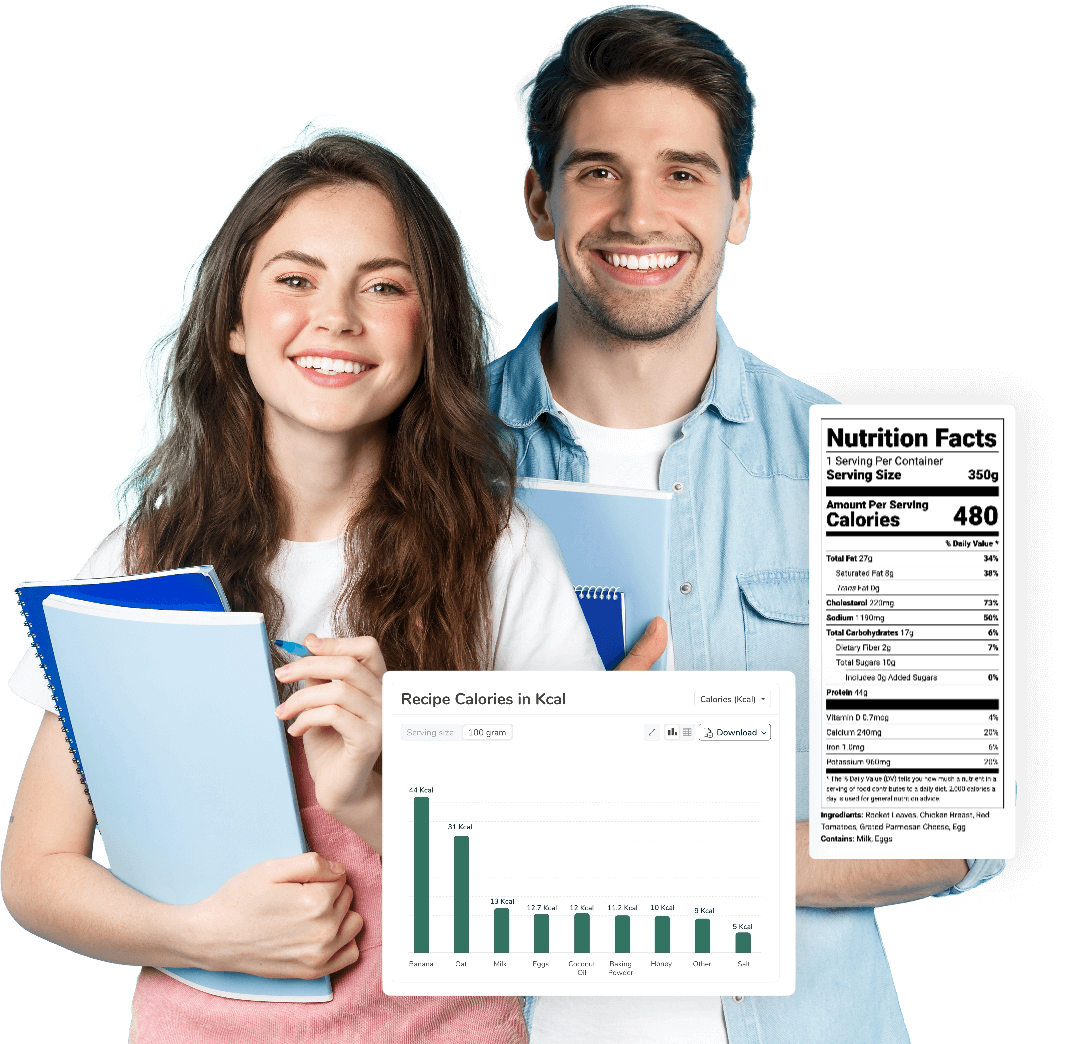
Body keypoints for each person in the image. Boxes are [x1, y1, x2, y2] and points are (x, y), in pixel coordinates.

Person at [1, 121, 664, 1042]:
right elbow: (36, 872)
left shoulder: (501, 553)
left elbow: (570, 893)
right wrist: (198, 934)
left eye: (384, 286)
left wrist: (376, 794)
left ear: (430, 331)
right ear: (233, 320)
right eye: (295, 279)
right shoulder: (140, 561)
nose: (336, 317)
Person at [488, 8, 1007, 1043]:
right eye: (597, 171)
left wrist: (660, 844)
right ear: (540, 200)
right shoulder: (418, 464)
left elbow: (955, 837)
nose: (640, 214)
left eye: (683, 172)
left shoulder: (879, 468)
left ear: (739, 207)